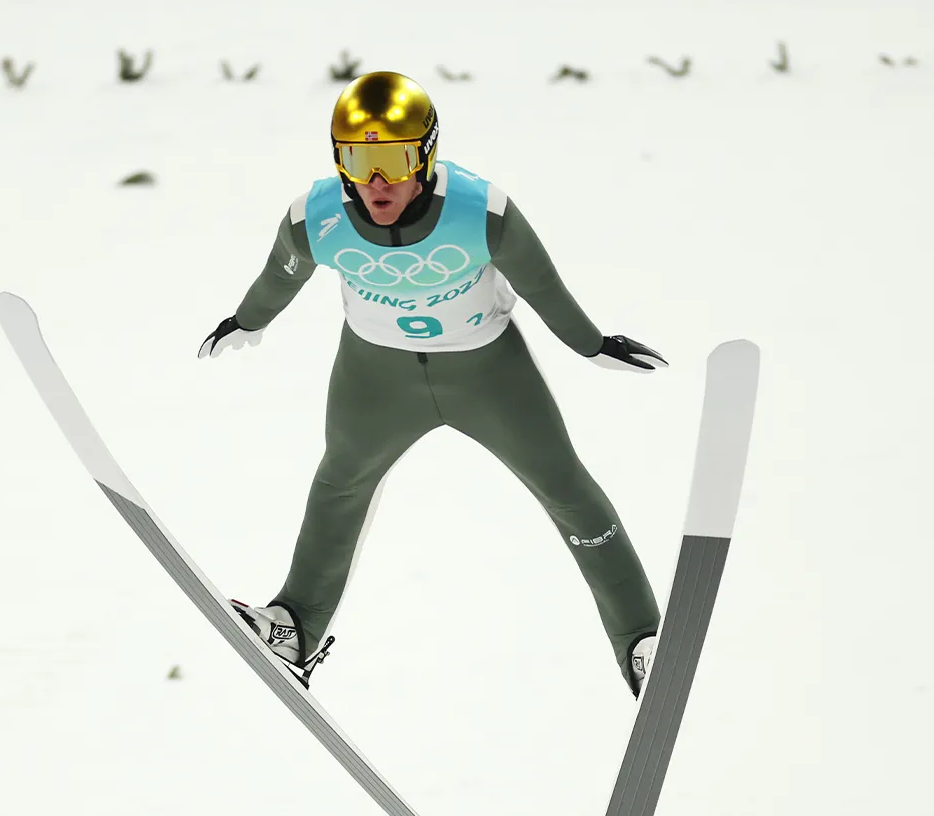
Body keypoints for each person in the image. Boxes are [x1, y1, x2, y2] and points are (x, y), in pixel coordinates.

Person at [198, 71, 667, 698]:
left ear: (426, 154)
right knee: (340, 483)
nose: (376, 182)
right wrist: (246, 319)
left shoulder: (481, 211)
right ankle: (295, 627)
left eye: (392, 158)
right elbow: (281, 275)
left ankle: (640, 638)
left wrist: (591, 343)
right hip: (375, 374)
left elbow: (541, 284)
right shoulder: (316, 216)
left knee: (565, 486)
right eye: (358, 160)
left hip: (487, 372)